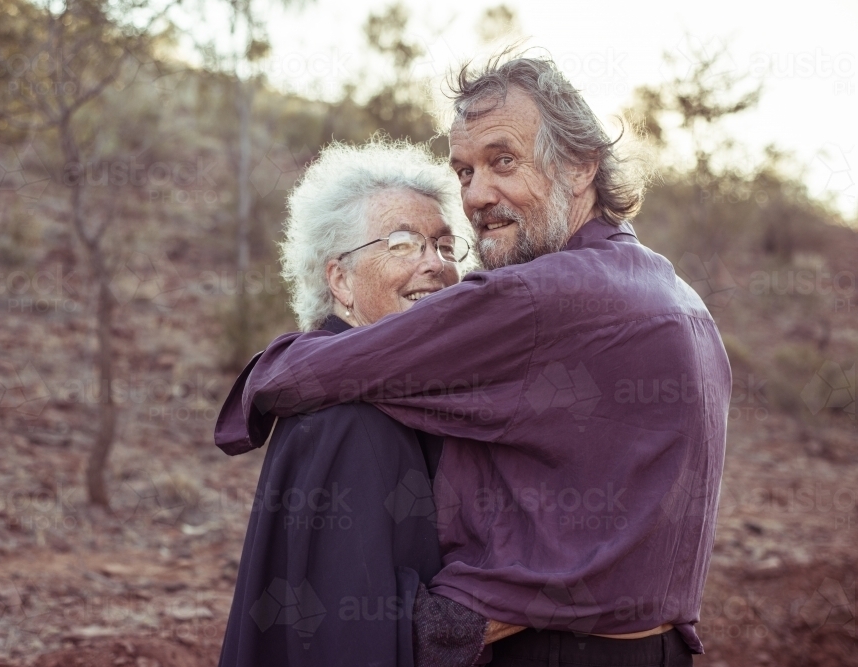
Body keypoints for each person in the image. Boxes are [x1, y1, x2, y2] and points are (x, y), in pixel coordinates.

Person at [217, 55, 732, 667]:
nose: (477, 194)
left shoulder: (539, 297)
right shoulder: (677, 296)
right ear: (339, 276)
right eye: (463, 172)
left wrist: (261, 376)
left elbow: (319, 372)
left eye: (503, 161)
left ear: (581, 165)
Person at [216, 138, 487, 667]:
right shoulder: (351, 417)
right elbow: (352, 632)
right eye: (403, 244)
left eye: (445, 245)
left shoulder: (390, 391)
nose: (436, 265)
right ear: (341, 280)